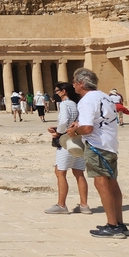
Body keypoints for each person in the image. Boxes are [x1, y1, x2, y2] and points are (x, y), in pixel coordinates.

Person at [65, 68, 123, 238]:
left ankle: (112, 226)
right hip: (110, 143)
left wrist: (74, 132)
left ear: (81, 83)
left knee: (101, 183)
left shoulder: (86, 100)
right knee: (112, 183)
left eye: (75, 82)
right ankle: (119, 223)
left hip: (97, 145)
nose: (73, 85)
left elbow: (88, 128)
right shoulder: (104, 96)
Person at [45, 82, 90, 214]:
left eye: (57, 91)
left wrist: (57, 132)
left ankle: (61, 205)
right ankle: (84, 205)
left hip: (66, 141)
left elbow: (64, 120)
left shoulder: (65, 104)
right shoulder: (78, 104)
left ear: (64, 91)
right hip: (78, 140)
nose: (56, 93)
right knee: (79, 173)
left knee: (60, 172)